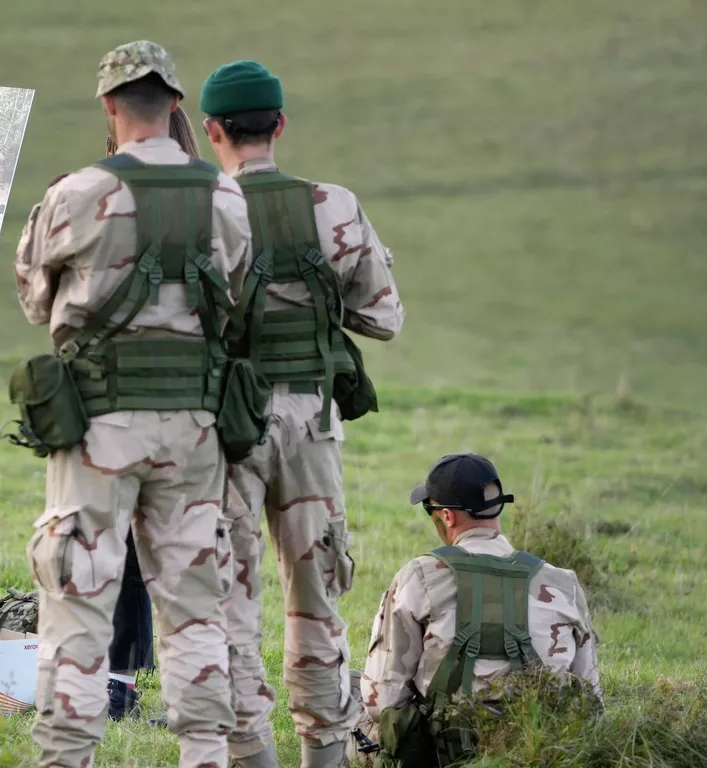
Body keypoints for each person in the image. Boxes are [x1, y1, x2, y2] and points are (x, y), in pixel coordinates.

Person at [12, 40, 253, 768]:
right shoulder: (225, 195)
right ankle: (206, 754)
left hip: (99, 428)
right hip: (194, 428)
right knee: (194, 606)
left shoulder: (76, 193)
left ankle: (67, 757)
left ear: (110, 107)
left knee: (77, 597)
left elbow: (34, 298)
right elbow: (236, 296)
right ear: (176, 106)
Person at [197, 60, 407, 768]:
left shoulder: (202, 211)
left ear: (211, 130)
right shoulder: (336, 206)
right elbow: (384, 319)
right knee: (316, 597)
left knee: (229, 602)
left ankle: (249, 755)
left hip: (229, 426)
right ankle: (325, 753)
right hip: (314, 422)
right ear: (280, 125)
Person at [359, 454, 600, 766]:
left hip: (444, 755)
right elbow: (591, 700)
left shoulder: (419, 576)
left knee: (350, 705)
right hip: (544, 752)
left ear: (446, 516)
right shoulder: (564, 583)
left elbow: (383, 701)